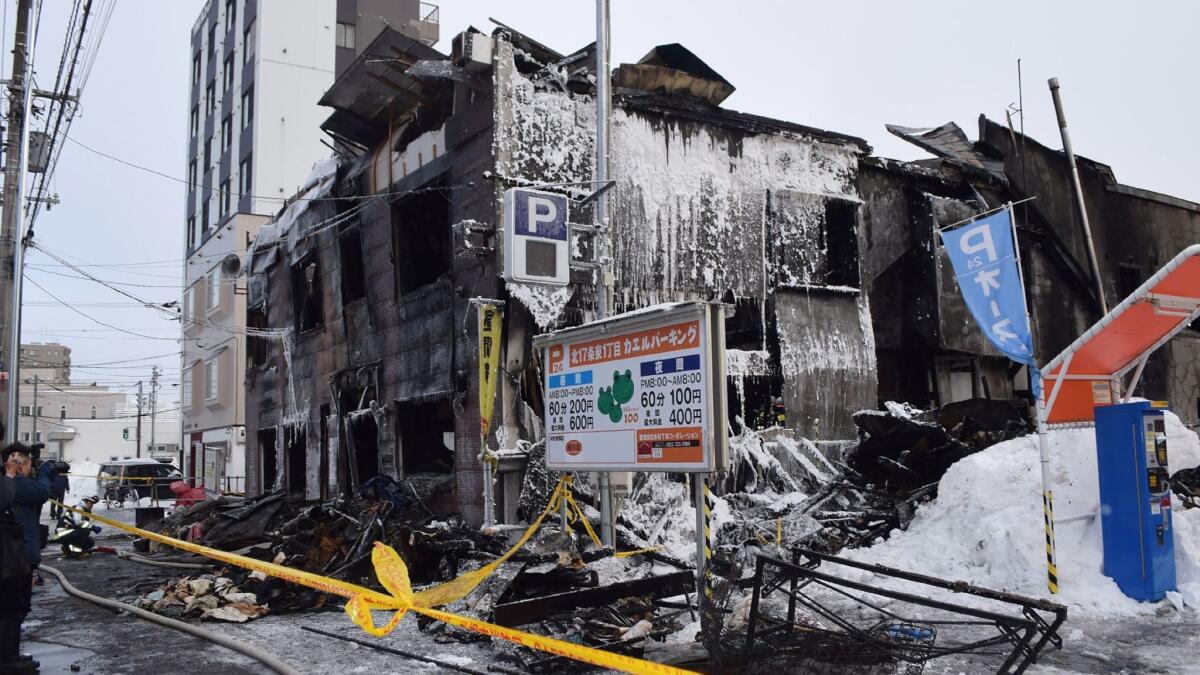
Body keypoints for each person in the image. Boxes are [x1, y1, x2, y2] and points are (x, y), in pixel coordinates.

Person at [0, 453, 36, 673]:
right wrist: (12, 476)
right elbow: (6, 500)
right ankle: (8, 658)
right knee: (11, 606)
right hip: (7, 552)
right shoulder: (8, 481)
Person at [6, 445, 50, 586]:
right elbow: (41, 494)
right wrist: (44, 474)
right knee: (16, 602)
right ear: (21, 465)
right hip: (18, 556)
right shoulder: (16, 482)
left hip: (15, 554)